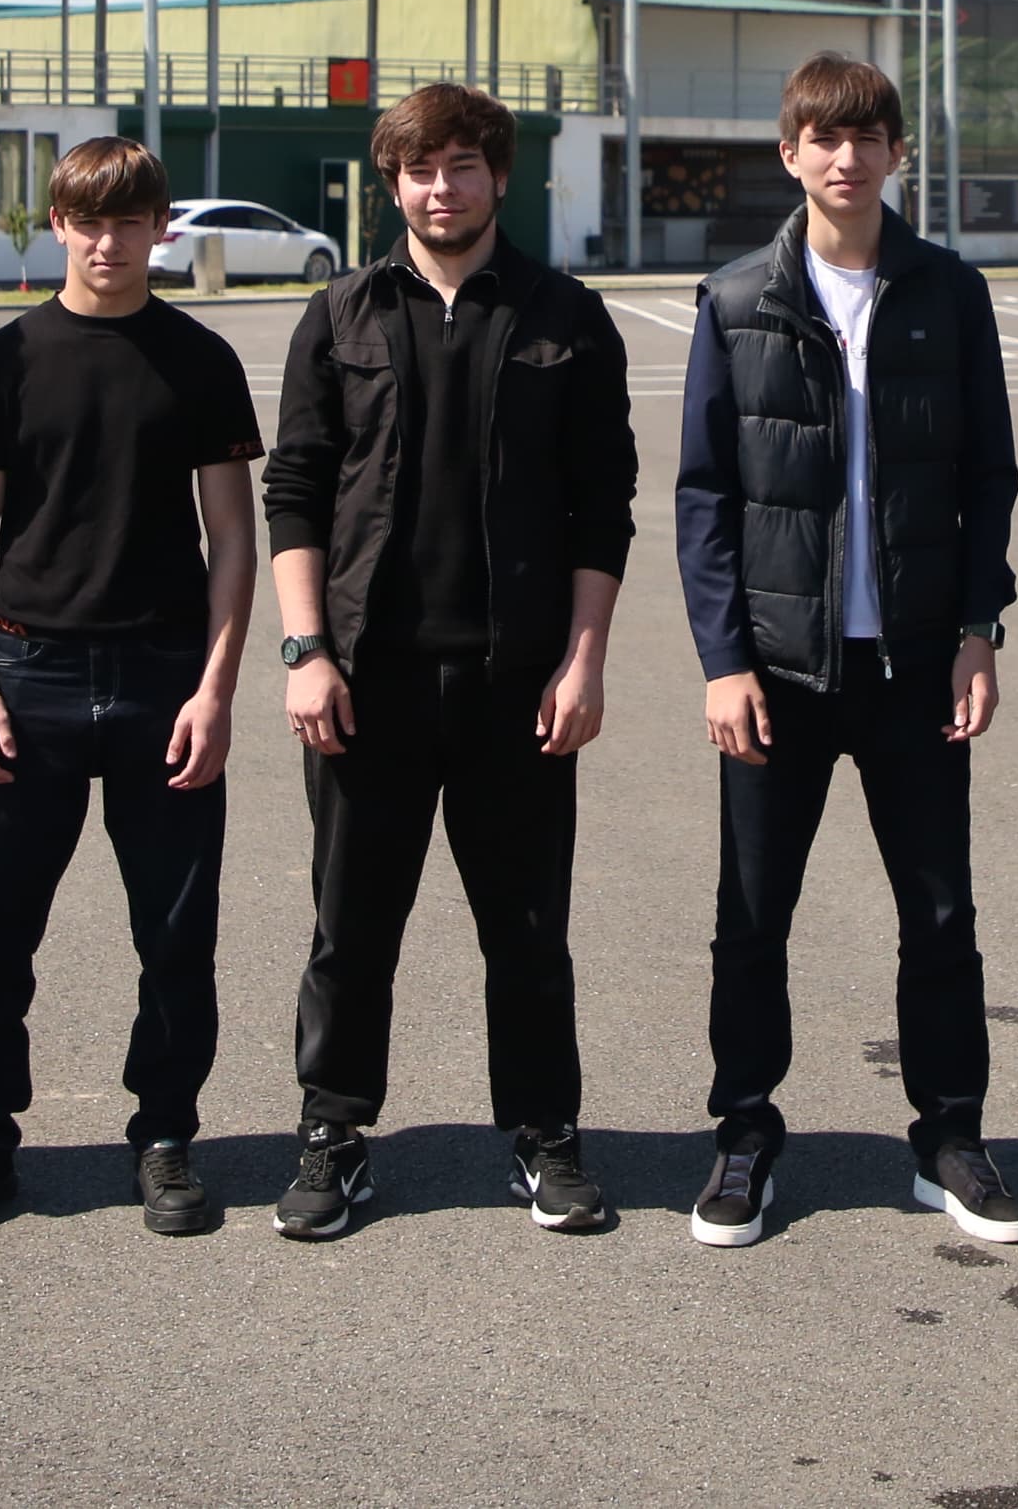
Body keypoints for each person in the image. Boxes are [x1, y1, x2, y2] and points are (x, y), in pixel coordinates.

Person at [260, 83, 639, 1240]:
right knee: (350, 927)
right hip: (365, 680)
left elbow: (601, 506)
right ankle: (332, 1132)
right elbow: (295, 489)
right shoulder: (340, 314)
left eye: (462, 165)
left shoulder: (564, 316)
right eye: (420, 169)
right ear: (392, 183)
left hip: (514, 685)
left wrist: (582, 662)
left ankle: (543, 1132)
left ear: (498, 177)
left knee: (524, 929)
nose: (442, 188)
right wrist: (305, 650)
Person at [674, 53, 1018, 1248]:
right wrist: (724, 660)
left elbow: (987, 473)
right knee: (751, 916)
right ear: (790, 154)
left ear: (894, 153)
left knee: (939, 911)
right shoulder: (736, 300)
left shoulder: (948, 292)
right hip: (779, 671)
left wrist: (977, 628)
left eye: (867, 135)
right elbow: (704, 494)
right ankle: (743, 1131)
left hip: (915, 665)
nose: (846, 156)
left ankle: (949, 1136)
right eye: (823, 137)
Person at [0, 136, 263, 1241]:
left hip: (163, 679)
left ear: (160, 228)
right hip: (29, 674)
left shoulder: (199, 359)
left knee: (175, 935)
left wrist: (215, 691)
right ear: (58, 223)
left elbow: (232, 537)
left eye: (129, 221)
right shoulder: (5, 359)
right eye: (88, 220)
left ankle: (164, 1133)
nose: (107, 242)